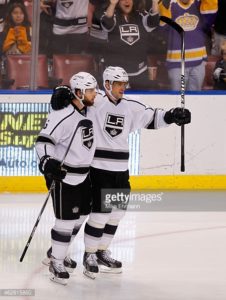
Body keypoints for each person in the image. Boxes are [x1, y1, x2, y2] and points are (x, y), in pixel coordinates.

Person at [81, 66, 190, 278]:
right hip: (99, 169)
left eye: (124, 84)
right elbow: (74, 104)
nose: (123, 87)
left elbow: (153, 117)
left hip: (120, 170)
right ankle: (89, 254)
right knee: (100, 214)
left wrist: (174, 115)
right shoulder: (94, 103)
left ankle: (102, 251)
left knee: (117, 214)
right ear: (107, 84)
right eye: (118, 84)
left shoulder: (131, 107)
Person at [35, 73, 98, 285]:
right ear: (79, 93)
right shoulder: (62, 114)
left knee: (80, 217)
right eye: (90, 90)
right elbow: (43, 141)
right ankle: (56, 261)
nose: (94, 94)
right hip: (64, 176)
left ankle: (59, 251)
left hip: (84, 175)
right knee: (65, 221)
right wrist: (47, 162)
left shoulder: (93, 110)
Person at [99, 0, 160, 90]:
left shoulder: (140, 15)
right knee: (118, 103)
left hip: (139, 72)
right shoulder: (111, 14)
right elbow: (107, 24)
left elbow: (153, 22)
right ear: (118, 2)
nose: (127, 1)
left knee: (140, 102)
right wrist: (112, 4)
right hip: (116, 74)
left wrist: (155, 2)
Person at [159, 0, 218, 91]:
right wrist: (163, 6)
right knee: (177, 101)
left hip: (198, 62)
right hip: (176, 64)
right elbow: (163, 29)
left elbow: (210, 16)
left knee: (194, 101)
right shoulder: (169, 3)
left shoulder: (199, 3)